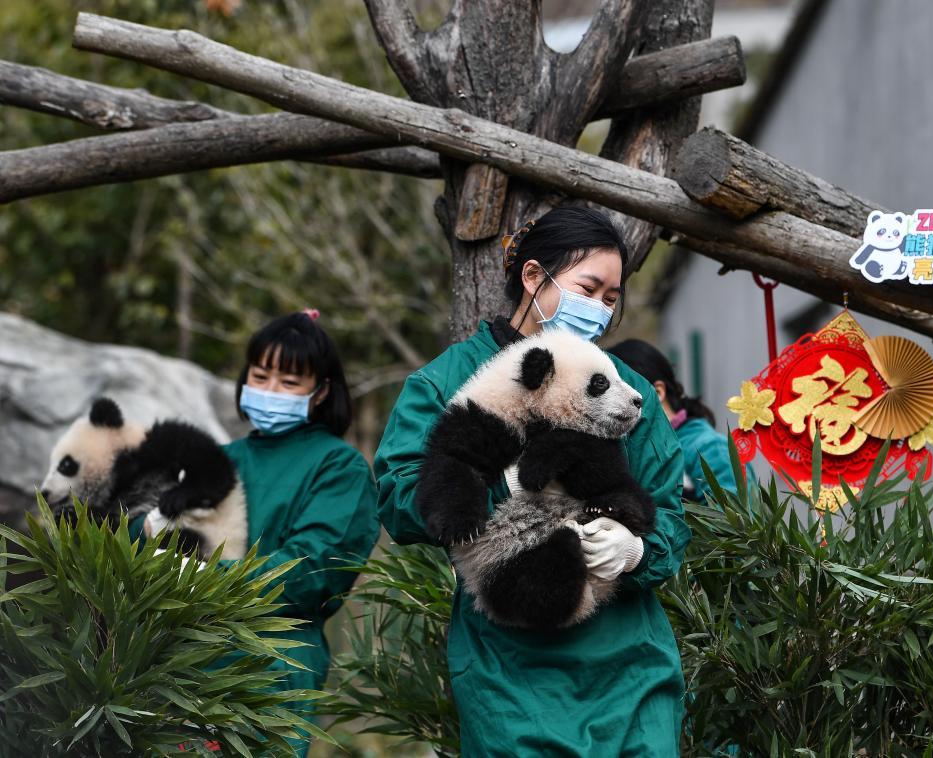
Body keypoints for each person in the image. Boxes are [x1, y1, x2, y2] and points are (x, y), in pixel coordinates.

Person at [375, 206, 690, 756]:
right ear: (533, 277)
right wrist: (496, 486)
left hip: (628, 664)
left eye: (611, 299)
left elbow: (670, 515)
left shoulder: (622, 388)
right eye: (587, 288)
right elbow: (399, 500)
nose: (598, 309)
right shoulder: (446, 381)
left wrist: (638, 550)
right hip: (511, 665)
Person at [148, 310, 380, 756]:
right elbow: (148, 544)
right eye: (260, 376)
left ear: (321, 392)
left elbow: (312, 570)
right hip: (185, 660)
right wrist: (147, 529)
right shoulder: (216, 457)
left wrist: (201, 578)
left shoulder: (339, 467)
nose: (270, 391)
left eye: (289, 383)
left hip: (271, 665)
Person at [607, 338, 756, 505]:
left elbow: (737, 524)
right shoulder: (637, 452)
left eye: (625, 392)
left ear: (657, 392)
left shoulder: (711, 448)